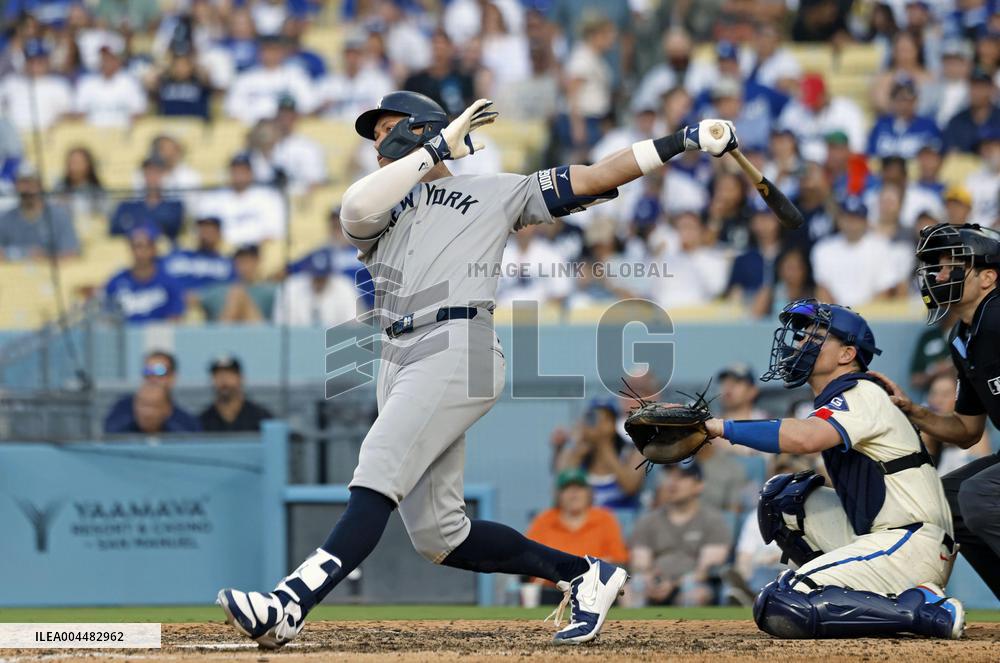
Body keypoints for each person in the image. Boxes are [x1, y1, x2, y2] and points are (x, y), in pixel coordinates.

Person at [217, 91, 742, 647]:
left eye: (386, 129)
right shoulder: (380, 204)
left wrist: (681, 140)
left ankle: (289, 603)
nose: (376, 143)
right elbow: (353, 208)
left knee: (377, 465)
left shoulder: (495, 190)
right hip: (395, 356)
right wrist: (437, 146)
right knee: (439, 535)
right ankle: (585, 575)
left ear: (420, 128)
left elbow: (594, 176)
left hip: (456, 341)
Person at [701, 299, 963, 640]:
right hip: (881, 535)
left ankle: (923, 610)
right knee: (784, 500)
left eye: (815, 336)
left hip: (911, 542)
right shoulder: (842, 396)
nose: (800, 343)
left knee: (783, 601)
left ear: (847, 354)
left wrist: (720, 427)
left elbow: (807, 438)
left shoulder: (861, 391)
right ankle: (851, 592)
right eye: (802, 336)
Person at [872, 223, 1000, 600]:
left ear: (988, 278)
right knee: (947, 501)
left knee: (978, 495)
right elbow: (967, 430)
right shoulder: (962, 337)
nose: (939, 275)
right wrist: (913, 410)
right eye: (936, 267)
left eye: (951, 266)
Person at [629, 463, 732, 606]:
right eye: (669, 476)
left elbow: (707, 569)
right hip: (654, 583)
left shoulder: (713, 520)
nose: (673, 482)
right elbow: (640, 564)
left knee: (697, 594)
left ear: (699, 485)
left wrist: (673, 584)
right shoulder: (648, 520)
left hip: (691, 583)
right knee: (632, 587)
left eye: (681, 477)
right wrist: (651, 580)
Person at [525, 468, 629, 601]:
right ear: (558, 495)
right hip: (551, 590)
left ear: (589, 493)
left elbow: (618, 561)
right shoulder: (543, 521)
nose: (574, 494)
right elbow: (529, 559)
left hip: (595, 590)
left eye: (579, 488)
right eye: (567, 489)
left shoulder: (605, 519)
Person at [197, 153, 285, 246]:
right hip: (223, 249)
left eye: (243, 171)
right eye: (235, 171)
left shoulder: (267, 197)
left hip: (255, 251)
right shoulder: (215, 197)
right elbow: (204, 229)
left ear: (251, 173)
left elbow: (275, 231)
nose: (239, 175)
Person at [104, 350, 200, 433]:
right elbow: (110, 434)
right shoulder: (122, 409)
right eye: (147, 371)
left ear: (172, 377)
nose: (153, 378)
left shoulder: (184, 421)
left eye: (160, 371)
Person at [104, 226, 186, 324]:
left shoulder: (170, 283)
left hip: (159, 332)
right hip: (125, 332)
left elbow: (174, 319)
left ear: (154, 249)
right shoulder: (116, 282)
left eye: (145, 246)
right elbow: (108, 317)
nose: (140, 252)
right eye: (136, 246)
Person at [0, 163, 79, 260]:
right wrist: (25, 254)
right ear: (16, 186)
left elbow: (71, 253)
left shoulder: (59, 216)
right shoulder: (5, 219)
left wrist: (43, 257)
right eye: (22, 183)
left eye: (31, 182)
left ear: (40, 185)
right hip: (13, 269)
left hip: (49, 269)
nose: (27, 188)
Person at [921, 372, 992, 476]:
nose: (937, 400)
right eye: (934, 394)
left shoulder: (976, 434)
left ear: (960, 398)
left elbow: (983, 476)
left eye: (945, 395)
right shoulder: (928, 436)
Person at [0, 39, 72, 131]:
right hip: (14, 135)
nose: (35, 65)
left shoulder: (59, 85)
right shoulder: (10, 82)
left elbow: (67, 115)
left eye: (39, 61)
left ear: (47, 61)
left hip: (48, 134)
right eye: (31, 61)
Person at [110, 155, 185, 241]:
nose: (152, 177)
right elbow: (115, 229)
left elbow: (174, 227)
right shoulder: (127, 206)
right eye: (148, 173)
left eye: (156, 173)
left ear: (164, 176)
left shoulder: (175, 206)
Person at [72, 43, 147, 128]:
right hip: (92, 132)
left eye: (110, 58)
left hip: (121, 131)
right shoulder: (87, 83)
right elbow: (79, 112)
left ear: (118, 61)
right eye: (103, 58)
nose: (106, 62)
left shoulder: (130, 83)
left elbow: (139, 111)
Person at [161, 216, 233, 294]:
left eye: (211, 230)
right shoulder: (180, 256)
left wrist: (202, 296)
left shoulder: (226, 263)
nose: (206, 234)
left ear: (219, 233)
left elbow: (232, 288)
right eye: (203, 229)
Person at [199, 356, 272, 432]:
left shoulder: (262, 418)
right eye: (218, 375)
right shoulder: (202, 421)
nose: (224, 380)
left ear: (241, 378)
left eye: (230, 374)